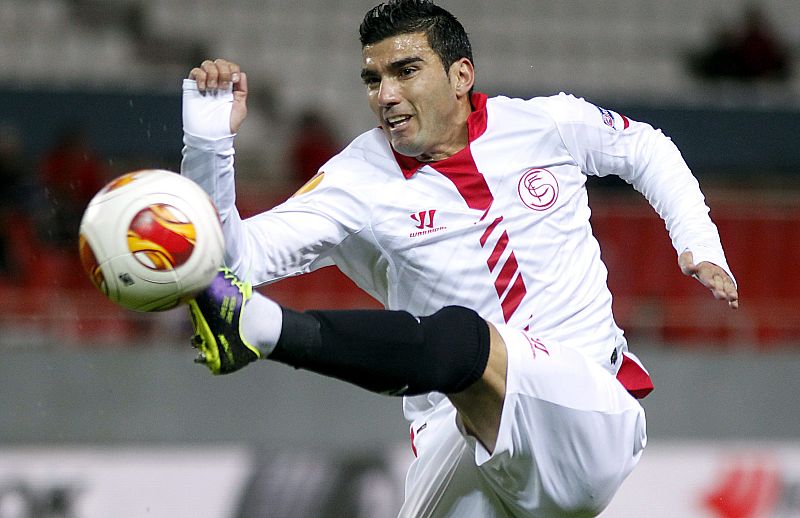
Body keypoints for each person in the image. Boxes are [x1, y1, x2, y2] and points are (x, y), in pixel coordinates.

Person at [181, 1, 739, 516]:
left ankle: (263, 329)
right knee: (465, 349)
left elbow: (645, 147)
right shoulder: (355, 180)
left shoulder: (545, 125)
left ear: (460, 76)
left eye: (405, 71)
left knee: (467, 337)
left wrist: (698, 241)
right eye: (373, 79)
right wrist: (208, 146)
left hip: (582, 414)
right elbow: (227, 266)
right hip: (460, 435)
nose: (386, 95)